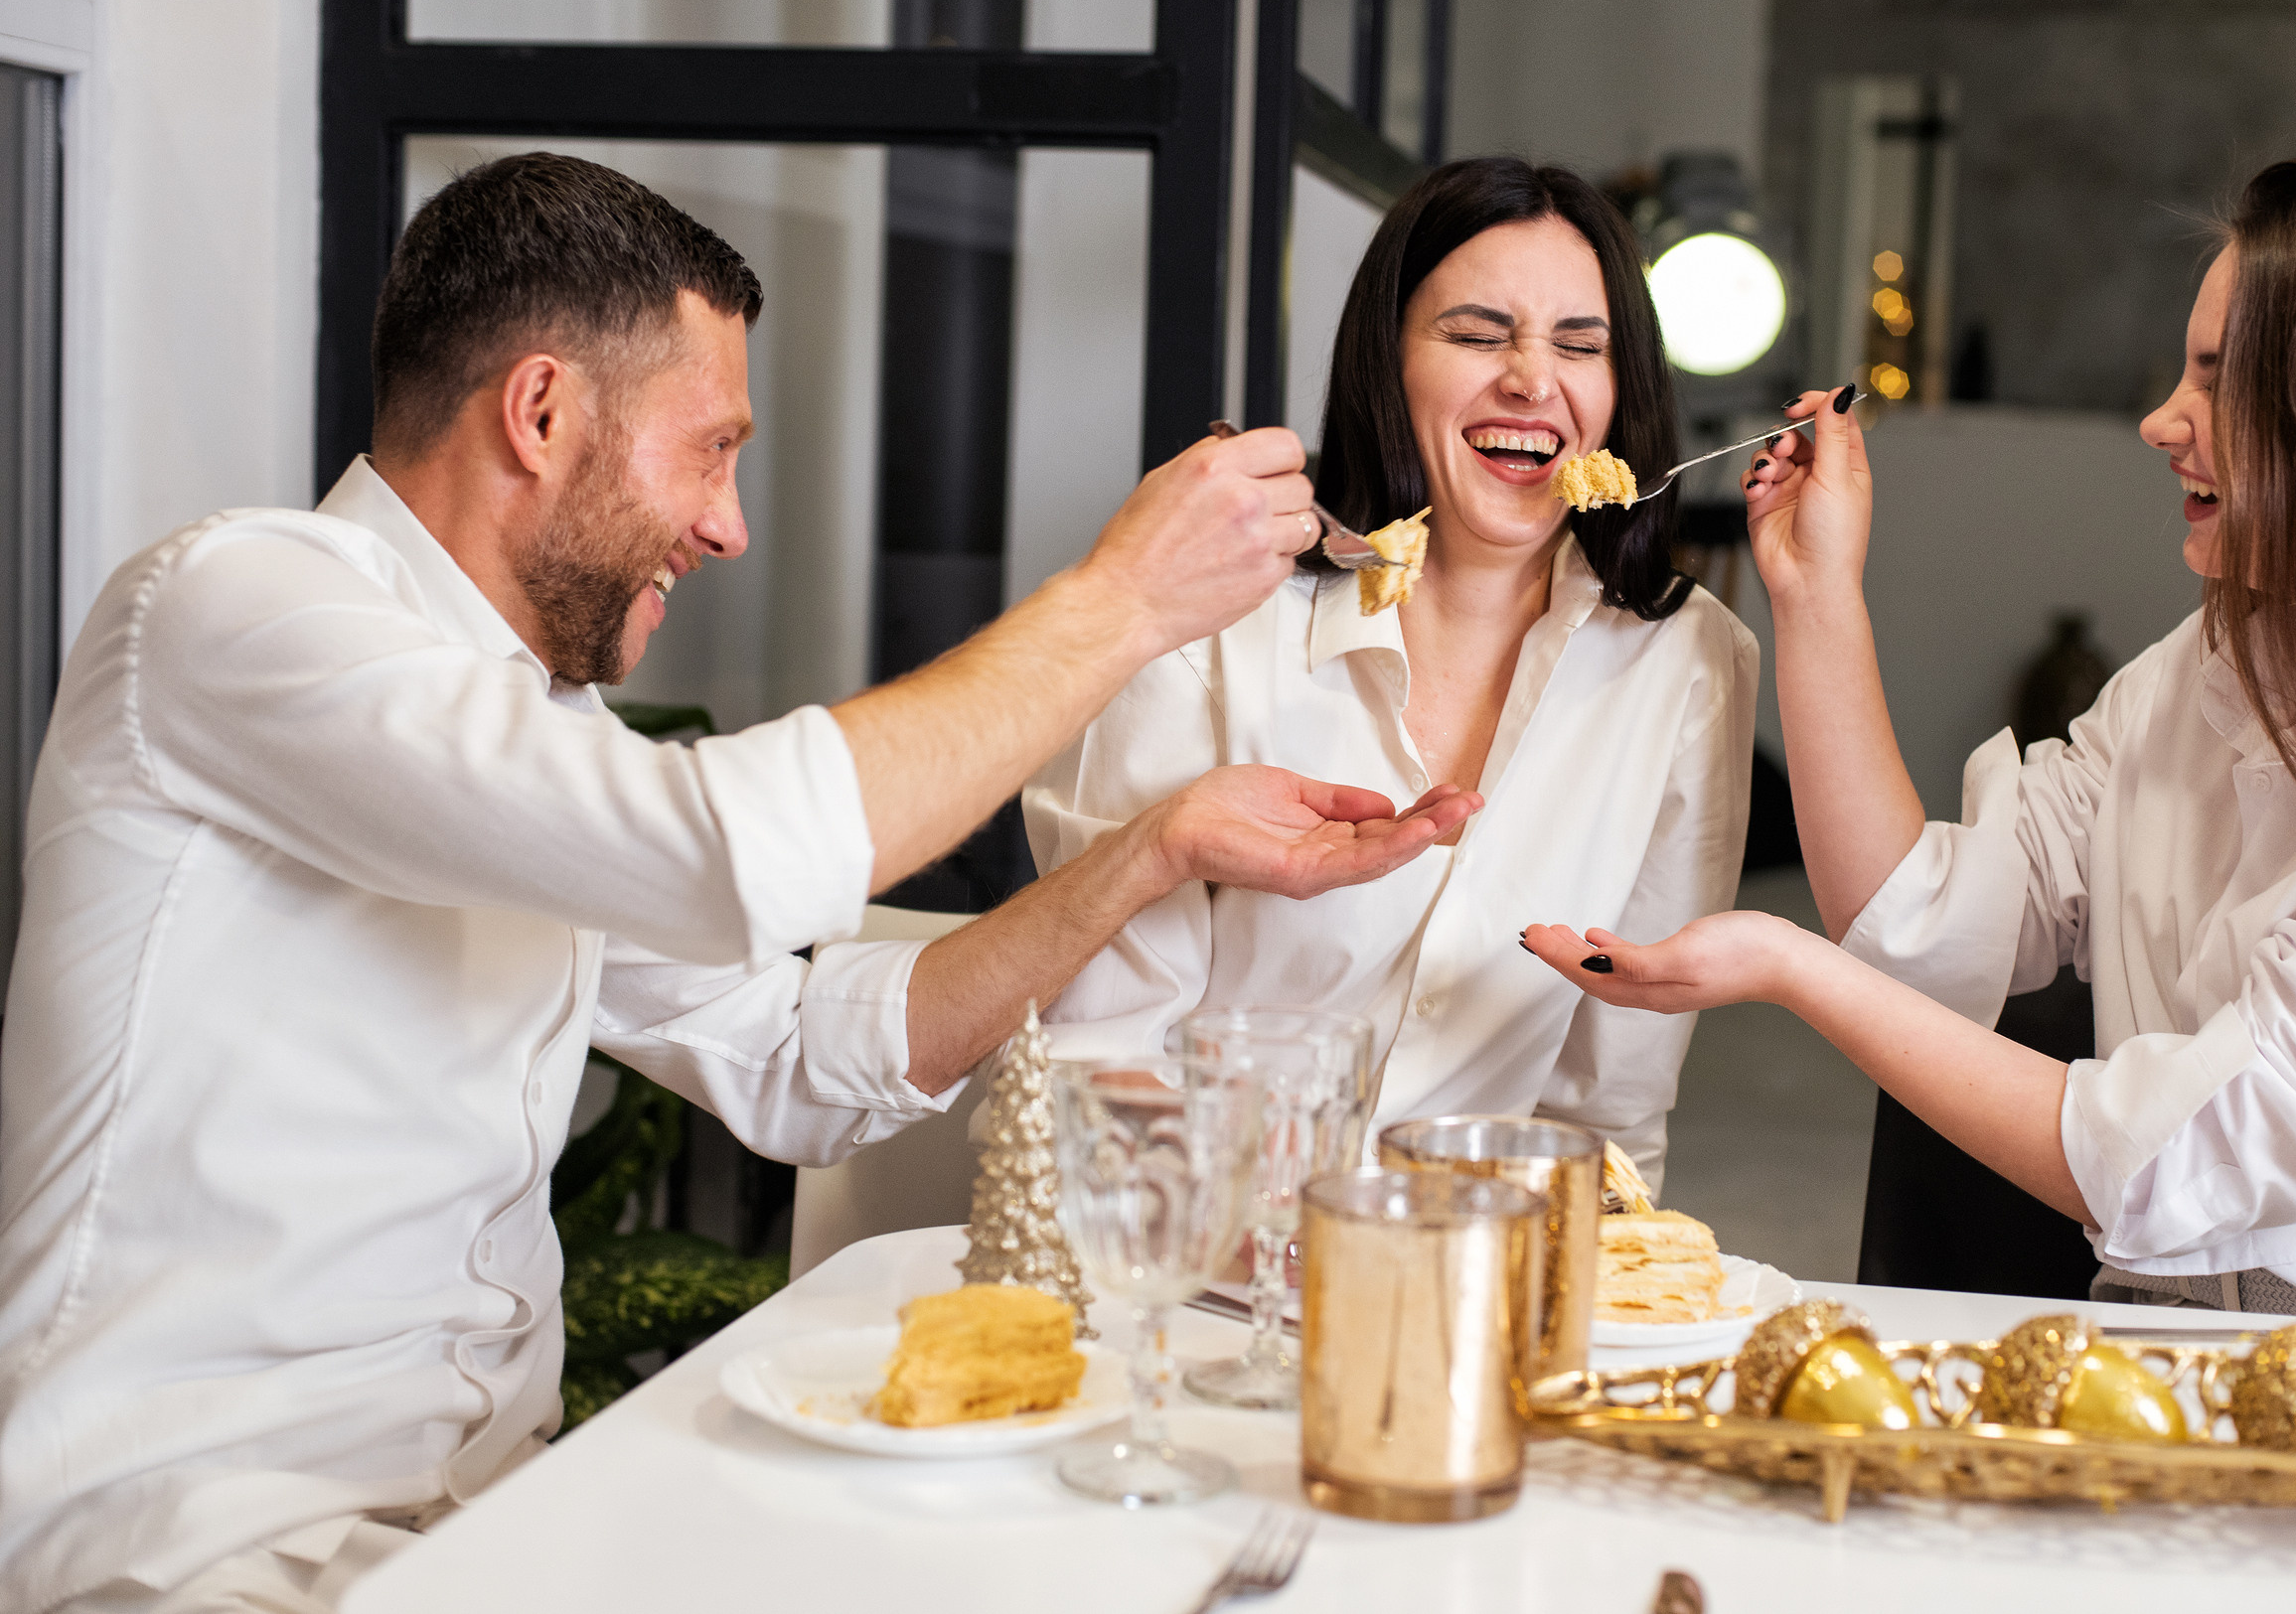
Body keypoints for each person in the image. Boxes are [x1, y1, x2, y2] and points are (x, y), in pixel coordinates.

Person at [0, 153, 1478, 1614]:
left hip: (488, 1526)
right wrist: (1122, 606)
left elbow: (798, 1057)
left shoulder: (533, 742)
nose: (730, 524)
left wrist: (1153, 851)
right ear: (540, 412)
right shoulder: (232, 608)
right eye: (711, 448)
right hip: (192, 1549)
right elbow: (713, 850)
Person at [1524, 140, 2296, 1318]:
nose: (2165, 421)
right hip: (2157, 1332)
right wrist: (1816, 593)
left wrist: (1782, 964)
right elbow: (1918, 927)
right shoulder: (2216, 664)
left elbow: (2157, 1158)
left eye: (2220, 381)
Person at [1025, 158, 1756, 1181]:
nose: (1532, 379)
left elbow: (1608, 1105)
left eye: (1578, 347)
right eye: (1474, 334)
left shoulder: (1688, 658)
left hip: (1472, 1282)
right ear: (1385, 362)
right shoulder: (1208, 617)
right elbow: (1101, 1064)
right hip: (1190, 1265)